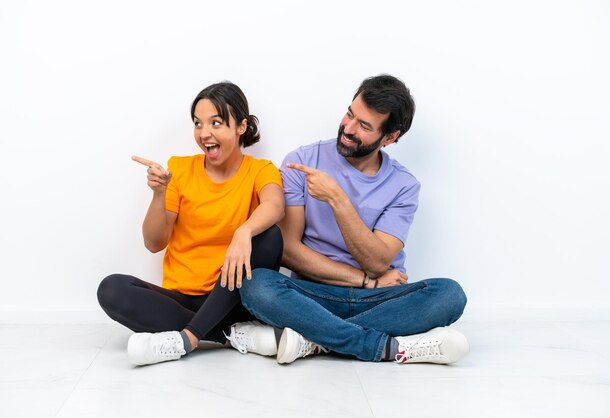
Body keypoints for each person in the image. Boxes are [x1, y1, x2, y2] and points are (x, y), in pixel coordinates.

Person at [237, 74, 469, 365]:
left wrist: (338, 200)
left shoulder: (404, 186)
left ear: (390, 137)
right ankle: (379, 346)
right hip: (316, 293)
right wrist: (366, 283)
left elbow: (377, 262)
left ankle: (314, 339)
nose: (348, 128)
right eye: (350, 114)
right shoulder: (302, 161)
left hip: (382, 298)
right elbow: (288, 250)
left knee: (449, 295)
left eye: (364, 126)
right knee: (256, 285)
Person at [97, 81, 285, 366]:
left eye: (216, 123)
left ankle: (188, 337)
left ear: (241, 127)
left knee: (269, 237)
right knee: (111, 289)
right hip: (180, 299)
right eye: (198, 123)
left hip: (232, 296)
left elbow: (275, 205)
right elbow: (153, 243)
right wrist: (159, 193)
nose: (204, 133)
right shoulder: (181, 169)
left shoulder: (261, 170)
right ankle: (228, 335)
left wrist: (244, 231)